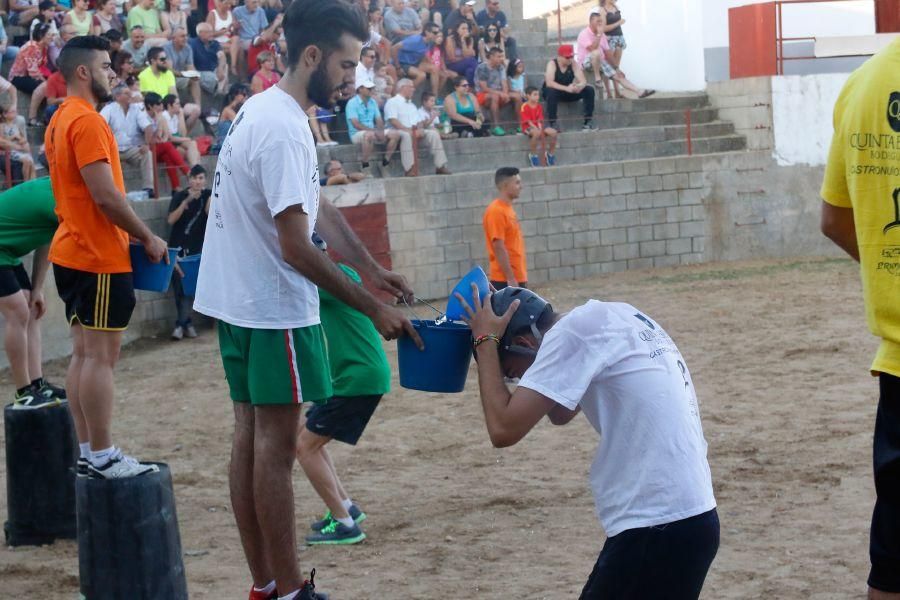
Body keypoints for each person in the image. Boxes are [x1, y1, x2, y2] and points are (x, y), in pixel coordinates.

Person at [191, 1, 422, 598]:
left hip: (237, 300)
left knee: (250, 439)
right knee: (273, 448)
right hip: (270, 307)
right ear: (313, 56)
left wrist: (370, 268)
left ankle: (266, 586)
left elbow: (313, 204)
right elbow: (296, 246)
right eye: (347, 65)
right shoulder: (287, 126)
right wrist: (374, 309)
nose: (353, 77)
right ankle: (291, 590)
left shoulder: (264, 110)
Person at [455, 285, 719, 600]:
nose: (518, 384)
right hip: (690, 518)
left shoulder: (571, 335)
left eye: (512, 374)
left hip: (657, 522)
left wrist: (485, 342)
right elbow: (561, 413)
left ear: (524, 343)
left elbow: (503, 429)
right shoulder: (610, 316)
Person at [46, 35, 169, 479]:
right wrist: (147, 236)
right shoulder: (89, 122)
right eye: (105, 66)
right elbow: (106, 196)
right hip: (97, 255)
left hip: (73, 250)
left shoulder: (59, 118)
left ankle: (88, 451)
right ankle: (101, 453)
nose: (112, 74)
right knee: (99, 358)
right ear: (84, 72)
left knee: (83, 356)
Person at [820, 37, 900, 600]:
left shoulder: (864, 83)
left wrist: (882, 267)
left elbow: (833, 217)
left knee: (894, 554)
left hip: (898, 359)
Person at [297, 231, 389, 546]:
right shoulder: (343, 275)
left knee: (305, 447)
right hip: (359, 375)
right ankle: (346, 506)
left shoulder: (323, 284)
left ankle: (344, 523)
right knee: (309, 440)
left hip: (357, 377)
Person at [0, 177, 67, 409]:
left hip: (6, 250)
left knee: (31, 309)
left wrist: (37, 288)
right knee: (17, 311)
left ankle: (37, 384)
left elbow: (47, 239)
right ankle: (23, 393)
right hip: (2, 249)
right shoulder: (57, 196)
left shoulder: (61, 192)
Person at [167, 164, 209, 340]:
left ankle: (182, 324)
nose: (197, 182)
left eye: (200, 178)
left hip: (197, 251)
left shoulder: (208, 195)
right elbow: (170, 220)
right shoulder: (179, 196)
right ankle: (185, 323)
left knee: (190, 289)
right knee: (179, 289)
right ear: (189, 179)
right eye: (194, 178)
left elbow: (210, 212)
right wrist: (186, 202)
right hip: (178, 249)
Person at [577, 9, 652, 100]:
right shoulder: (584, 34)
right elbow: (593, 48)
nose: (600, 23)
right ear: (591, 21)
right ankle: (598, 79)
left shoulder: (602, 35)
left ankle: (639, 92)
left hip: (600, 62)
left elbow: (608, 53)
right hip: (586, 63)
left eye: (601, 21)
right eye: (598, 21)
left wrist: (616, 68)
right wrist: (599, 35)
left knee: (618, 76)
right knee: (596, 52)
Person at [384, 77, 451, 176]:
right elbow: (393, 121)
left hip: (414, 131)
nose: (414, 89)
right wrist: (409, 131)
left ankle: (440, 165)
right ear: (403, 88)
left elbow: (417, 122)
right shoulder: (392, 102)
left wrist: (421, 126)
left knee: (433, 134)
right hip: (398, 131)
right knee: (406, 135)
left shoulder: (412, 105)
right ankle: (409, 168)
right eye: (411, 87)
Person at [100, 83, 155, 196]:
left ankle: (149, 189)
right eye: (126, 93)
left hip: (131, 149)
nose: (130, 95)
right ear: (117, 97)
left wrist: (146, 144)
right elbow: (99, 125)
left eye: (130, 92)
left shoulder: (136, 108)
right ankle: (113, 192)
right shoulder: (109, 109)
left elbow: (148, 127)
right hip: (113, 149)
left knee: (147, 154)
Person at [483, 167, 526, 290]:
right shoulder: (496, 211)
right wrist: (510, 278)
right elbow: (498, 246)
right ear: (505, 185)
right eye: (517, 183)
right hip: (504, 280)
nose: (521, 186)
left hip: (516, 277)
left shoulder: (508, 209)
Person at [139, 46, 201, 129]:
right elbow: (149, 99)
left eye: (166, 58)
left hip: (169, 103)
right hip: (156, 106)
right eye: (162, 59)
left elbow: (174, 94)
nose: (165, 62)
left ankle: (182, 135)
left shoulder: (168, 73)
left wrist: (175, 105)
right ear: (153, 61)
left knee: (195, 110)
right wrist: (167, 108)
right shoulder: (144, 75)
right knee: (168, 113)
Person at [346, 79, 398, 175]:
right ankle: (364, 165)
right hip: (357, 133)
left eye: (372, 88)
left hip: (371, 131)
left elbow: (379, 120)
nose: (371, 90)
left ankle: (385, 163)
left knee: (394, 134)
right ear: (360, 89)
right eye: (369, 88)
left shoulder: (372, 102)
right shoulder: (351, 103)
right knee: (369, 135)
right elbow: (355, 124)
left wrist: (381, 131)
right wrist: (375, 131)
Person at [144, 91, 191, 191]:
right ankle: (188, 172)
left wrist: (160, 122)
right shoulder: (142, 117)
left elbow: (164, 137)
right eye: (158, 104)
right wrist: (158, 131)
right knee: (168, 146)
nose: (161, 106)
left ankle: (176, 188)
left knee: (168, 156)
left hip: (157, 148)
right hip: (145, 149)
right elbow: (149, 140)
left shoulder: (160, 117)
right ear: (150, 106)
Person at [543, 44, 594, 131]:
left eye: (571, 56)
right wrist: (566, 88)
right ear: (559, 57)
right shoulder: (552, 64)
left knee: (589, 90)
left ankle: (588, 122)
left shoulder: (573, 63)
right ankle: (553, 122)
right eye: (567, 57)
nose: (570, 59)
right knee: (551, 91)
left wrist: (578, 86)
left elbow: (583, 81)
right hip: (554, 92)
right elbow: (549, 83)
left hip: (568, 91)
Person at [475, 47, 519, 136]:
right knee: (495, 96)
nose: (501, 59)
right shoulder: (482, 67)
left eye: (501, 56)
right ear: (491, 56)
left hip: (499, 93)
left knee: (517, 96)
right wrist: (500, 93)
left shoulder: (501, 67)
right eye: (498, 57)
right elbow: (484, 88)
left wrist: (505, 94)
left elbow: (504, 83)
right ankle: (496, 127)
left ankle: (521, 125)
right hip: (483, 95)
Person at [394, 22, 440, 94]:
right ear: (427, 32)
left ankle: (434, 96)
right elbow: (394, 48)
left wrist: (429, 62)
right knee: (422, 75)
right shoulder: (415, 40)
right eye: (435, 32)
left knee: (434, 68)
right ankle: (404, 94)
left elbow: (423, 52)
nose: (437, 35)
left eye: (438, 32)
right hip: (403, 63)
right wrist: (398, 67)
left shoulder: (430, 42)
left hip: (414, 62)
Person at [9, 23, 52, 97]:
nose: (52, 37)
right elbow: (33, 72)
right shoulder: (32, 47)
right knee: (44, 88)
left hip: (30, 75)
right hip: (19, 77)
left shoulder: (45, 47)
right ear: (41, 36)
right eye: (49, 35)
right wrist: (45, 82)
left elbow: (41, 67)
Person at [165, 27, 203, 108]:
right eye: (182, 36)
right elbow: (169, 71)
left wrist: (193, 74)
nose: (185, 38)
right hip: (168, 78)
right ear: (174, 38)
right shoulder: (166, 48)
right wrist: (186, 75)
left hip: (180, 76)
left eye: (186, 36)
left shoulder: (188, 48)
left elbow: (190, 67)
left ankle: (198, 107)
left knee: (195, 80)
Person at [521, 86, 557, 167]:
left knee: (554, 133)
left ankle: (550, 154)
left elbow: (540, 120)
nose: (538, 97)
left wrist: (540, 128)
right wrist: (537, 129)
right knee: (536, 133)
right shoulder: (524, 106)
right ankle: (533, 155)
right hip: (527, 127)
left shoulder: (539, 106)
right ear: (528, 96)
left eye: (538, 95)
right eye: (535, 94)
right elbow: (528, 121)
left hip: (538, 126)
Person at [161, 94, 201, 166]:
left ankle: (196, 170)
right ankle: (196, 170)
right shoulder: (164, 116)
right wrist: (187, 139)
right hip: (166, 143)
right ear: (169, 106)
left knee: (193, 145)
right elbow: (170, 138)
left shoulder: (175, 116)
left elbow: (182, 134)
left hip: (175, 141)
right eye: (177, 104)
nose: (180, 106)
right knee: (186, 152)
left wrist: (181, 116)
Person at [191, 23, 229, 97]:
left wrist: (220, 68)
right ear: (200, 33)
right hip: (201, 71)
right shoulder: (193, 43)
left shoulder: (214, 43)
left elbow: (222, 56)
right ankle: (220, 89)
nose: (211, 34)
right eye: (208, 32)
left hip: (214, 69)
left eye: (211, 31)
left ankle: (220, 91)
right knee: (213, 78)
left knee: (225, 66)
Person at [0, 106, 36, 182]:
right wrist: (13, 137)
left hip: (19, 149)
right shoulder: (2, 126)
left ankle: (33, 183)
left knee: (31, 162)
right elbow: (2, 140)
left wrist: (21, 140)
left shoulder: (16, 126)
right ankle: (26, 183)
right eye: (12, 112)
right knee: (26, 160)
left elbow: (23, 138)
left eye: (15, 111)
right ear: (5, 115)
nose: (15, 113)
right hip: (11, 151)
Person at [599, 0, 626, 97]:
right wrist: (618, 23)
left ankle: (617, 92)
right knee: (609, 67)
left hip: (619, 37)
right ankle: (609, 93)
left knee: (616, 66)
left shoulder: (616, 7)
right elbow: (603, 28)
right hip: (609, 39)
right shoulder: (602, 10)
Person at [443, 19, 476, 86]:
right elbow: (452, 58)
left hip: (465, 64)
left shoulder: (470, 39)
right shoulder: (450, 39)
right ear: (457, 30)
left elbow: (468, 55)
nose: (465, 30)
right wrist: (466, 56)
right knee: (471, 61)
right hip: (451, 65)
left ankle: (469, 89)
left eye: (467, 28)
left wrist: (463, 41)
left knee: (470, 71)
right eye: (463, 28)